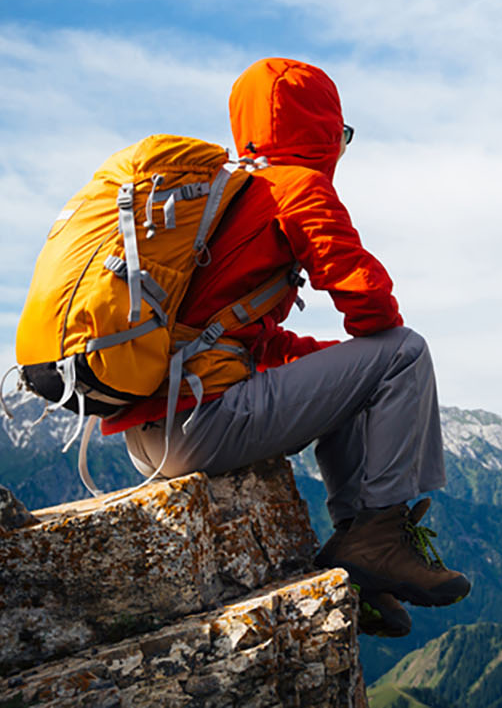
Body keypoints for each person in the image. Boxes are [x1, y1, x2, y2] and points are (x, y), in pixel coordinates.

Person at [100, 57, 469, 635]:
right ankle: (377, 534)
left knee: (362, 372)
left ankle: (360, 556)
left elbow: (240, 334)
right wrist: (362, 361)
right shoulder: (298, 188)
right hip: (204, 423)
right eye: (340, 136)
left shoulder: (229, 195)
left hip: (151, 437)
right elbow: (372, 307)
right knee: (405, 351)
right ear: (324, 133)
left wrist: (332, 366)